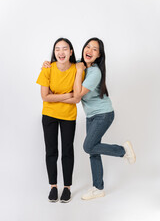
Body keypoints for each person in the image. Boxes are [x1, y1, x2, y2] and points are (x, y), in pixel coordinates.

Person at [42, 37, 136, 201]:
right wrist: (47, 64)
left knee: (88, 146)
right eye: (88, 47)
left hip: (103, 114)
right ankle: (98, 188)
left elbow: (77, 95)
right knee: (93, 151)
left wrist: (78, 72)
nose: (90, 50)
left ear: (99, 55)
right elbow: (64, 65)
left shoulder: (94, 72)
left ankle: (122, 151)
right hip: (92, 115)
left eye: (95, 49)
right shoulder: (80, 64)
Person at [36, 38, 82, 203]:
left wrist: (54, 97)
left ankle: (67, 188)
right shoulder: (47, 68)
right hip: (49, 115)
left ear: (71, 52)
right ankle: (53, 187)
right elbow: (44, 96)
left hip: (68, 115)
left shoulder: (77, 69)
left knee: (67, 151)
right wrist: (66, 95)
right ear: (54, 52)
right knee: (51, 151)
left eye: (65, 49)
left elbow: (76, 98)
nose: (61, 52)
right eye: (57, 49)